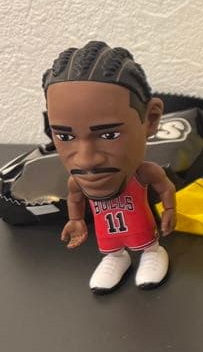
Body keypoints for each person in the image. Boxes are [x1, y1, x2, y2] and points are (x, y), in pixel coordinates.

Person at [43, 41, 175, 294]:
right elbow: (75, 199)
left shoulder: (143, 173)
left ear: (150, 119)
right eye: (65, 136)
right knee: (112, 249)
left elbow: (165, 186)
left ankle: (152, 253)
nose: (85, 161)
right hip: (109, 235)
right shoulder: (77, 182)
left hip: (143, 231)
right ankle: (116, 258)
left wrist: (170, 210)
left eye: (109, 135)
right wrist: (76, 220)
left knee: (146, 243)